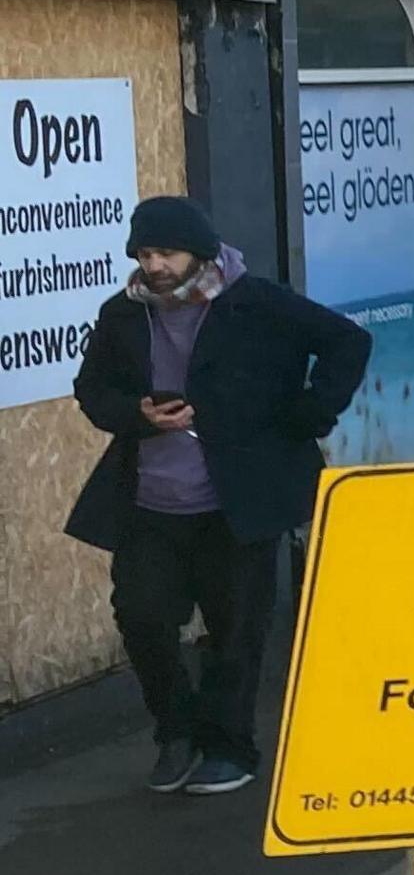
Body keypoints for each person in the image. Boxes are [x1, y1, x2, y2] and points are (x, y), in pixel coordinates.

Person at [68, 197, 370, 797]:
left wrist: (310, 412)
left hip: (239, 500)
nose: (154, 265)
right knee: (142, 615)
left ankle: (230, 748)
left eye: (166, 253)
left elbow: (346, 342)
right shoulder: (123, 315)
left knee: (237, 629)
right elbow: (91, 388)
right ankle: (175, 731)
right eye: (144, 254)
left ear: (199, 252)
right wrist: (137, 412)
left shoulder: (256, 302)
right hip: (151, 503)